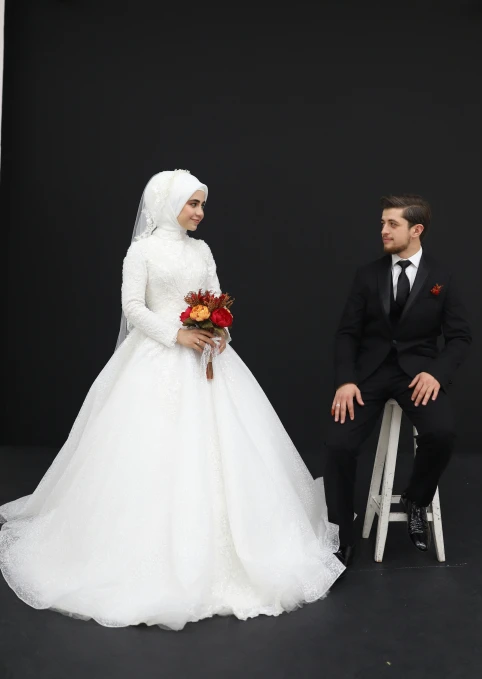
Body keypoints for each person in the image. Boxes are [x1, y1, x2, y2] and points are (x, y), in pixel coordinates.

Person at [0, 170, 344, 630]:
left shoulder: (201, 249)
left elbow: (218, 295)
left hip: (207, 357)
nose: (200, 212)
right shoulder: (141, 251)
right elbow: (132, 307)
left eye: (203, 204)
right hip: (159, 355)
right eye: (193, 204)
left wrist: (220, 328)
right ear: (169, 204)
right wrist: (176, 334)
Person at [325, 194, 472, 566]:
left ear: (416, 230)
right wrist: (346, 380)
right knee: (339, 446)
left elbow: (459, 337)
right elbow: (347, 333)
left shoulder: (443, 278)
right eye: (382, 223)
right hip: (369, 376)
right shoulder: (367, 275)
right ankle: (339, 533)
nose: (384, 230)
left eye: (392, 224)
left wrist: (436, 373)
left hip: (418, 375)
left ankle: (416, 498)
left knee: (441, 434)